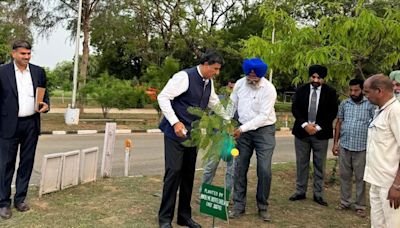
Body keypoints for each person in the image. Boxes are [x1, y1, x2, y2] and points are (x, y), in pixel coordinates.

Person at [157, 50, 225, 228]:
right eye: (215, 69)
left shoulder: (208, 82)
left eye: (219, 70)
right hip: (175, 133)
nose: (217, 73)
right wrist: (175, 123)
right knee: (173, 173)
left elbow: (215, 103)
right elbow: (163, 97)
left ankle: (184, 216)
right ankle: (165, 219)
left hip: (193, 134)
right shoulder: (184, 77)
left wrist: (228, 121)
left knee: (188, 175)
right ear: (205, 64)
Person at [0, 40, 50, 219]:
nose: (27, 57)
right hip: (8, 126)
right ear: (14, 54)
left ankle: (20, 199)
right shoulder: (2, 72)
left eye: (29, 54)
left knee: (26, 163)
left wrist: (46, 105)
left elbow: (45, 94)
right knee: (5, 165)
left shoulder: (38, 71)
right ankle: (3, 203)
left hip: (31, 125)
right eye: (23, 54)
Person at [227, 58, 277, 222]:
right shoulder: (240, 84)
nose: (252, 79)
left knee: (264, 169)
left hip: (264, 131)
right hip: (243, 131)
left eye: (255, 76)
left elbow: (263, 116)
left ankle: (262, 206)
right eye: (249, 76)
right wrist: (228, 122)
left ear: (261, 75)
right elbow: (232, 104)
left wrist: (241, 129)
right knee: (240, 167)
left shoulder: (269, 89)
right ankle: (239, 206)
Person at [289, 65, 338, 206]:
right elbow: (295, 108)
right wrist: (305, 125)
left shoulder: (330, 92)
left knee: (319, 165)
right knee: (301, 163)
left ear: (324, 78)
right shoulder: (301, 90)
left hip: (320, 134)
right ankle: (300, 191)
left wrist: (317, 127)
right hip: (302, 132)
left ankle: (318, 194)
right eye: (313, 77)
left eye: (319, 78)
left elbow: (332, 112)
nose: (316, 80)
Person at [331, 79, 375, 218]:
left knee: (361, 177)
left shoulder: (370, 105)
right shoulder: (345, 104)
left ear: (362, 90)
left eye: (356, 90)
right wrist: (335, 143)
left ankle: (360, 206)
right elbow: (339, 123)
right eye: (351, 90)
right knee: (344, 176)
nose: (353, 93)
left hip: (362, 148)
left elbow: (374, 126)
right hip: (345, 146)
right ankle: (345, 202)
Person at [363, 74, 400, 227]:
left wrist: (397, 186)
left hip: (390, 184)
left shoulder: (396, 112)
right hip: (376, 181)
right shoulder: (381, 111)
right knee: (378, 225)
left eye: (366, 92)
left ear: (379, 91)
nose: (365, 96)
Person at [199, 81, 236, 197]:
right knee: (210, 167)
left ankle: (227, 196)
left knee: (232, 170)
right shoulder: (218, 99)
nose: (232, 87)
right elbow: (211, 117)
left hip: (234, 141)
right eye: (230, 85)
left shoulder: (242, 101)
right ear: (227, 85)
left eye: (235, 86)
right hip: (218, 139)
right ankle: (203, 193)